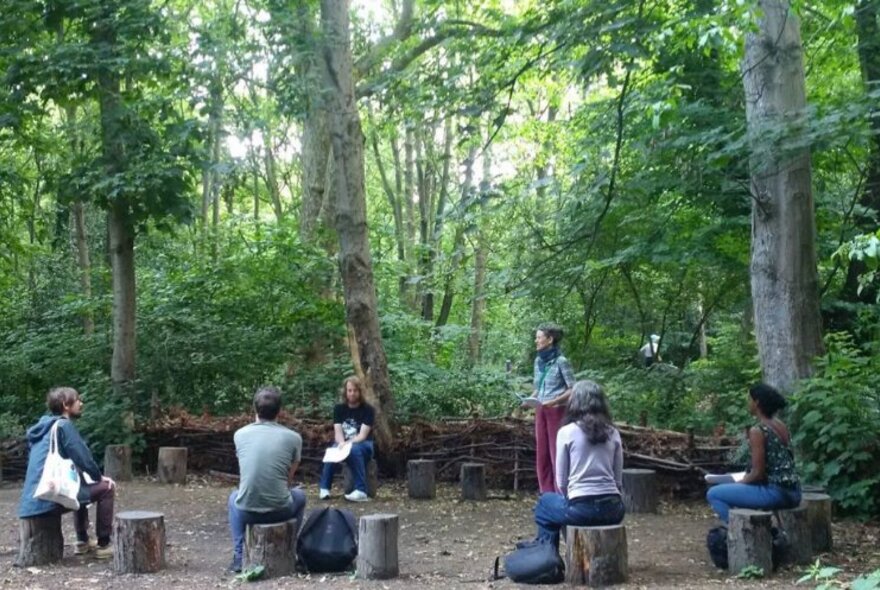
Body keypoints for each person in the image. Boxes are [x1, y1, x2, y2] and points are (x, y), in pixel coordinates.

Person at [524, 380, 625, 549]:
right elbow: (618, 480)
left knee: (545, 504)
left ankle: (547, 556)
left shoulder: (566, 432)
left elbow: (561, 482)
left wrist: (570, 500)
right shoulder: (613, 432)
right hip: (614, 510)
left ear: (574, 402)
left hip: (580, 509)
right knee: (552, 507)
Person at [18, 387, 116, 558]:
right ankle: (104, 544)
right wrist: (99, 477)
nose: (81, 403)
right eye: (77, 400)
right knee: (107, 488)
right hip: (48, 499)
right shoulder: (64, 426)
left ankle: (82, 541)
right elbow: (84, 459)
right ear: (66, 405)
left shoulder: (43, 428)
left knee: (80, 483)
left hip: (31, 501)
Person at [228, 386, 306, 573]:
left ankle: (238, 557)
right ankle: (292, 549)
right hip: (280, 510)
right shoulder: (294, 438)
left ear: (255, 409)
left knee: (233, 498)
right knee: (300, 496)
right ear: (280, 411)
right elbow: (288, 478)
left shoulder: (239, 435)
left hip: (247, 511)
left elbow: (246, 472)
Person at [706, 383, 801, 522]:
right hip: (794, 492)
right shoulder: (780, 425)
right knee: (728, 484)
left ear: (756, 403)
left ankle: (733, 533)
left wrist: (740, 483)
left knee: (714, 493)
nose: (748, 403)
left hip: (776, 493)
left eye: (749, 399)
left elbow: (758, 473)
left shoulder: (758, 430)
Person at [530, 323, 576, 493]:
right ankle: (546, 493)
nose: (536, 340)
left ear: (550, 340)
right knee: (542, 453)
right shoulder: (538, 361)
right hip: (540, 409)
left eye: (539, 337)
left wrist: (555, 401)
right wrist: (530, 399)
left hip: (557, 411)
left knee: (556, 452)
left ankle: (560, 493)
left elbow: (573, 388)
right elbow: (538, 388)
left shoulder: (561, 361)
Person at [318, 376, 375, 503]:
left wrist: (347, 444)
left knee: (354, 449)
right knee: (332, 451)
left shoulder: (368, 410)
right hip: (344, 443)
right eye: (349, 390)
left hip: (364, 445)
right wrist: (341, 443)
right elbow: (338, 432)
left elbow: (362, 436)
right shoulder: (339, 409)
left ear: (360, 392)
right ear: (345, 392)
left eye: (355, 390)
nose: (352, 393)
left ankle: (361, 490)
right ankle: (325, 488)